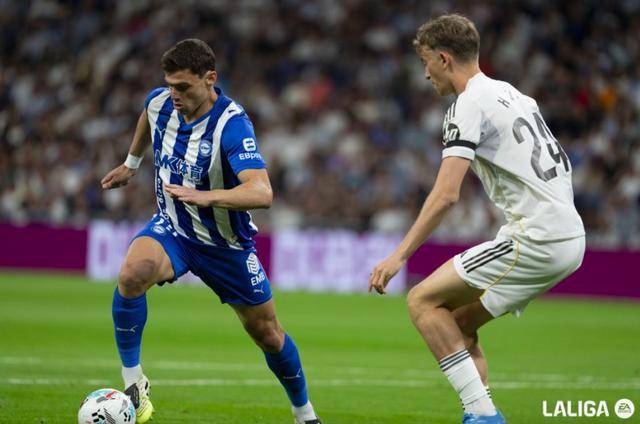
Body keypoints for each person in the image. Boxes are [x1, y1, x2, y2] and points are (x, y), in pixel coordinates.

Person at [368, 14, 585, 424]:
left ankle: (483, 415)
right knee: (459, 324)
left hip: (536, 238)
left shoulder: (467, 105)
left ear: (444, 59)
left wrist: (398, 256)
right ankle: (480, 411)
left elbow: (446, 195)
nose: (425, 74)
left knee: (421, 300)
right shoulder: (516, 95)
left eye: (426, 62)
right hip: (569, 236)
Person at [101, 39, 321, 424]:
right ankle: (134, 382)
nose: (174, 95)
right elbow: (147, 116)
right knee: (132, 273)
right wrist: (132, 163)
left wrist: (207, 197)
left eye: (183, 87)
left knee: (268, 334)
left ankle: (305, 415)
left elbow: (262, 192)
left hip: (226, 246)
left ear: (210, 79)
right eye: (170, 85)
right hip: (174, 229)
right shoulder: (160, 103)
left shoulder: (231, 125)